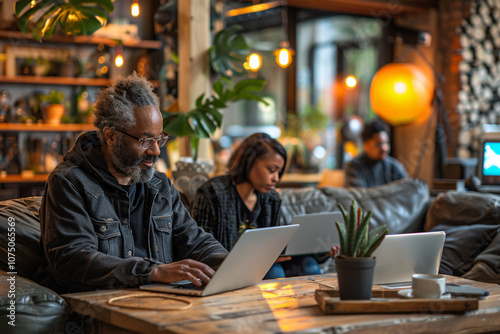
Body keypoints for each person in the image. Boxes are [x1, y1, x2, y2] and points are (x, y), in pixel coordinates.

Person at [34, 73, 227, 294]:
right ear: (110, 136)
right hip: (98, 310)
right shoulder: (69, 182)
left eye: (159, 139)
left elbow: (196, 241)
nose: (155, 151)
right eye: (145, 140)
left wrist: (229, 263)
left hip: (158, 301)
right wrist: (152, 272)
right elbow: (72, 260)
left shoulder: (159, 186)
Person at [190, 133, 321, 278]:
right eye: (271, 170)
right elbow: (200, 248)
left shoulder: (270, 198)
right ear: (249, 162)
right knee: (274, 271)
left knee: (309, 266)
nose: (276, 178)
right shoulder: (211, 193)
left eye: (279, 172)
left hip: (262, 264)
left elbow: (272, 244)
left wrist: (320, 250)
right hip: (226, 268)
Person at [344, 120, 408, 188]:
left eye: (386, 143)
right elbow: (358, 195)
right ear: (366, 145)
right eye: (379, 144)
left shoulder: (393, 166)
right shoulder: (354, 166)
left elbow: (408, 189)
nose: (384, 148)